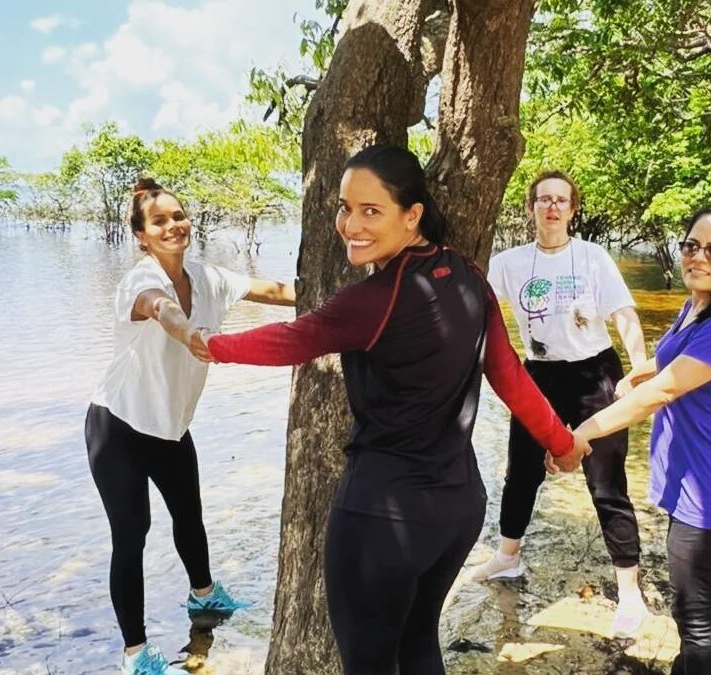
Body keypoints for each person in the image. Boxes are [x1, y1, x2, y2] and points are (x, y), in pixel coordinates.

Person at [192, 145, 587, 675]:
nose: (350, 224)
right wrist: (561, 444)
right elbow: (510, 376)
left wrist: (202, 341)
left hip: (383, 518)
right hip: (458, 510)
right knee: (419, 645)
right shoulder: (467, 275)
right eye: (343, 207)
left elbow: (289, 341)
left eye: (370, 210)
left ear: (413, 214)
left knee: (370, 664)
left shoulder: (376, 298)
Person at [85, 179, 295, 675]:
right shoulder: (139, 281)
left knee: (190, 515)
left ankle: (204, 599)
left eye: (178, 216)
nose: (173, 225)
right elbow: (164, 311)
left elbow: (271, 290)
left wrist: (336, 303)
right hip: (118, 427)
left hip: (172, 428)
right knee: (131, 534)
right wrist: (193, 335)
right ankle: (136, 655)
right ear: (141, 235)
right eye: (159, 221)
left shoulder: (207, 277)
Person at [567, 205, 711, 673]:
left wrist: (579, 435)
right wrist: (639, 370)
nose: (699, 257)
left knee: (696, 622)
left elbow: (663, 393)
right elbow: (672, 363)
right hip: (693, 479)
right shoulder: (699, 303)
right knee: (696, 606)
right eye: (692, 246)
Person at [469, 170, 649, 637]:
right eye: (544, 199)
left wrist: (640, 365)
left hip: (595, 373)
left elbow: (622, 313)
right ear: (530, 208)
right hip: (540, 375)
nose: (552, 207)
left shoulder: (592, 257)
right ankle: (508, 555)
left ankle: (629, 590)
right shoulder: (509, 263)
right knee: (521, 470)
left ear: (572, 210)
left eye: (561, 201)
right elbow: (473, 310)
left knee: (606, 481)